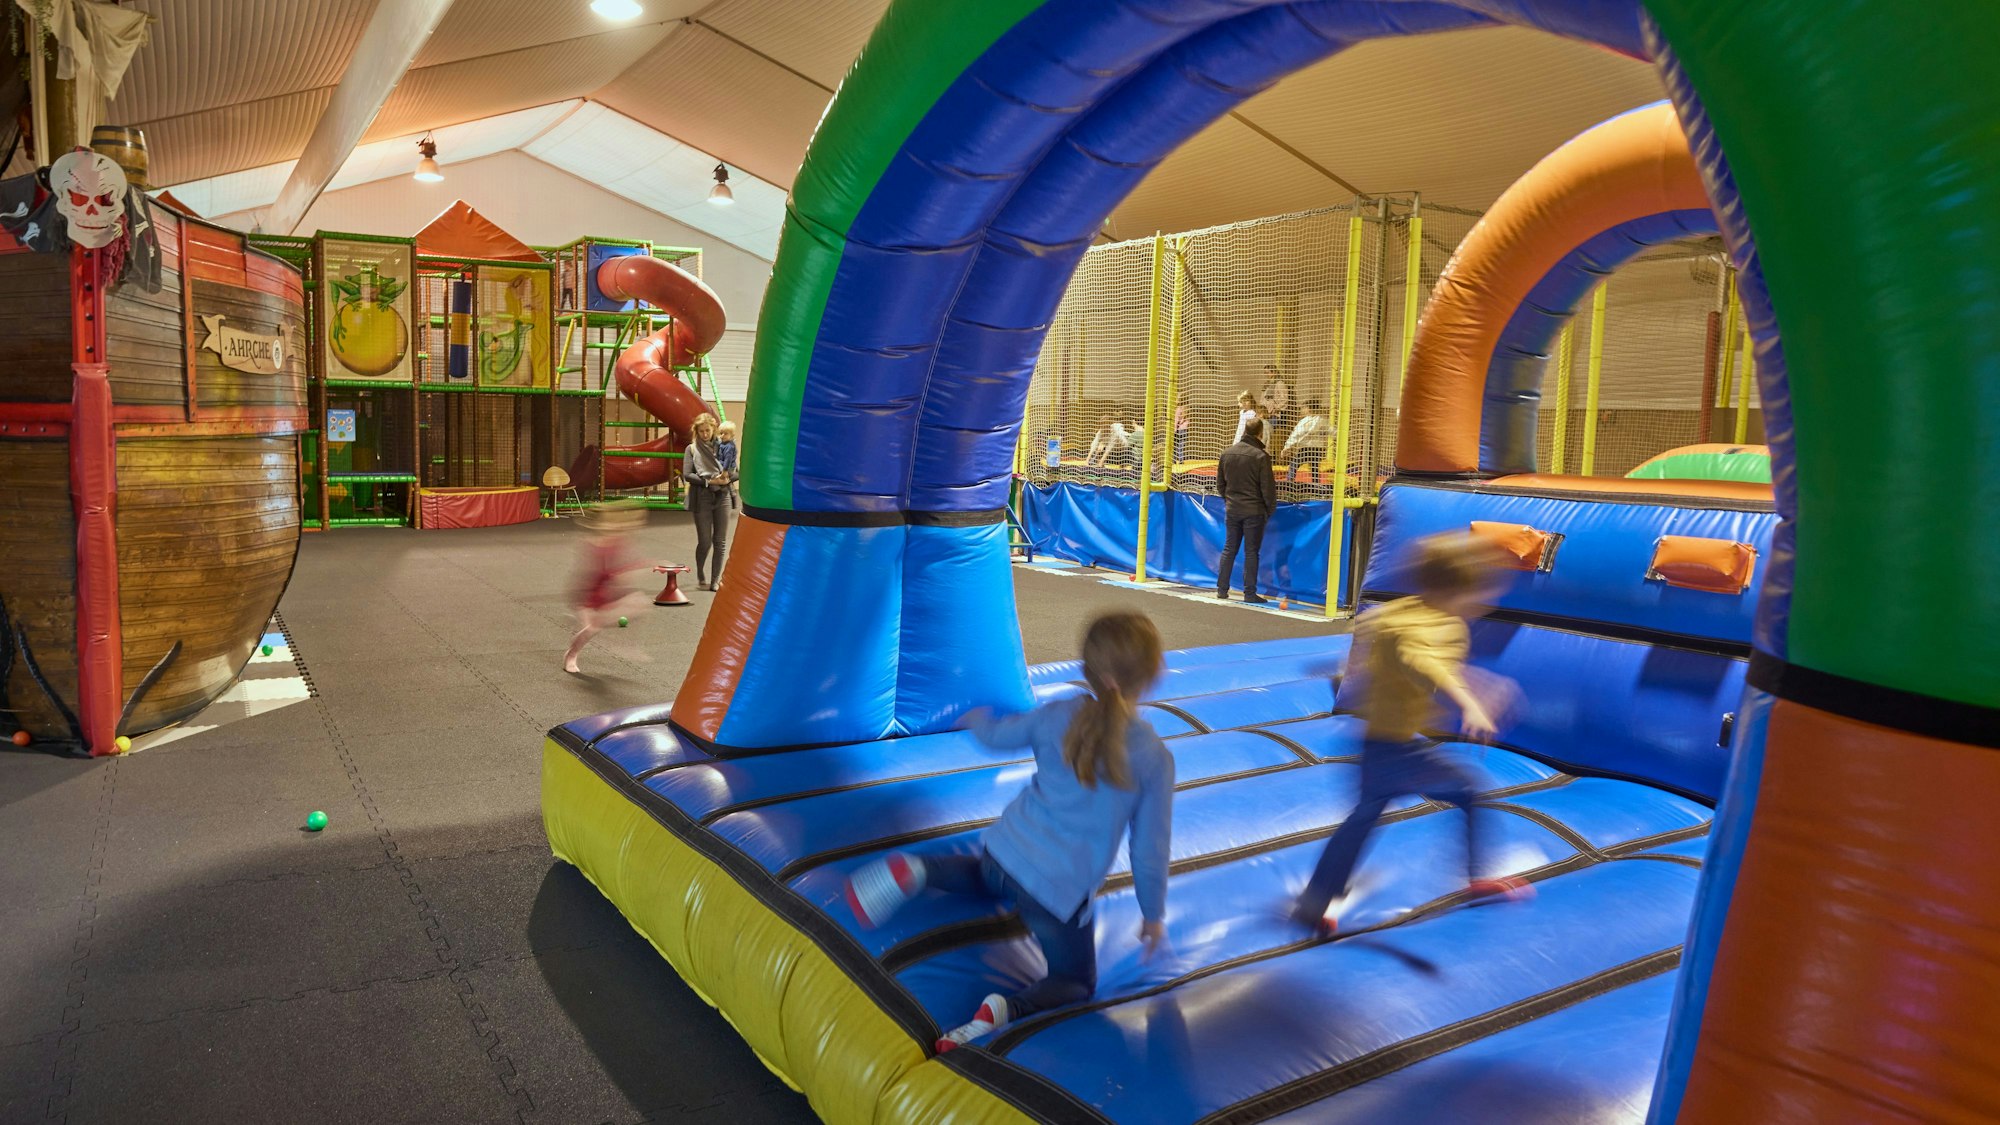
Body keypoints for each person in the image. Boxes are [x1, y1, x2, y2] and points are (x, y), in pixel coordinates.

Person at [844, 612, 1175, 1053]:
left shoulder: (1057, 714)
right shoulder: (1154, 758)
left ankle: (917, 870)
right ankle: (1004, 1011)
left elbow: (1000, 737)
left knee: (983, 878)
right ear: (1152, 675)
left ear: (1087, 670)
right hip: (1055, 895)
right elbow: (1149, 849)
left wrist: (979, 721)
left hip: (1003, 854)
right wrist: (1152, 915)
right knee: (1075, 981)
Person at [1290, 532, 1531, 935]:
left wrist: (1347, 673)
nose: (1484, 605)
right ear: (1456, 592)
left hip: (1374, 742)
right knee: (1468, 791)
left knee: (1362, 820)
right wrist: (1469, 701)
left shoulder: (1397, 612)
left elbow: (1386, 644)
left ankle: (1313, 904)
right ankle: (1476, 878)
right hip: (1399, 749)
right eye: (1480, 594)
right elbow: (1423, 661)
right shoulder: (1445, 626)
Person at [562, 500, 650, 674]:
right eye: (608, 525)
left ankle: (629, 645)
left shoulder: (619, 542)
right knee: (592, 628)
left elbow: (627, 565)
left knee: (641, 603)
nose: (614, 528)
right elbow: (587, 577)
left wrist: (642, 567)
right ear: (599, 527)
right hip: (589, 597)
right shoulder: (592, 546)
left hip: (610, 594)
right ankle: (571, 654)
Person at [1214, 416, 1277, 604]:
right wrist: (1269, 509)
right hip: (1254, 511)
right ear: (1260, 433)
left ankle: (1222, 589)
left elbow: (1220, 485)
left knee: (1229, 549)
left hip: (1233, 509)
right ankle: (1249, 593)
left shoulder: (1227, 453)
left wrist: (1229, 500)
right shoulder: (1261, 457)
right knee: (1251, 552)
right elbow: (1267, 488)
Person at [683, 412, 735, 590]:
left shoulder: (725, 447)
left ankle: (715, 580)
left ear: (714, 429)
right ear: (696, 432)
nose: (705, 434)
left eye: (708, 430)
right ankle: (700, 570)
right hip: (702, 497)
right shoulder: (691, 449)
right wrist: (710, 481)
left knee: (720, 541)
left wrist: (726, 478)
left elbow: (736, 471)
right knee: (705, 541)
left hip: (723, 495)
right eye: (701, 431)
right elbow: (688, 475)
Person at [1280, 398, 1330, 483]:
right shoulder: (1321, 420)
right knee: (1314, 467)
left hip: (1306, 448)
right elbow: (1330, 430)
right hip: (1317, 449)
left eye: (1303, 407)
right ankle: (1315, 483)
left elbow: (1295, 435)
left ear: (1309, 409)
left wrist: (1287, 447)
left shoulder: (1304, 422)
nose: (1302, 410)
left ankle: (1289, 481)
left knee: (1294, 464)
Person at [1260, 364, 1294, 441]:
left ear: (1274, 372)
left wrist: (1276, 408)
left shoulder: (1280, 384)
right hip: (1264, 413)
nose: (1266, 375)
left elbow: (1284, 400)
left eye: (1268, 372)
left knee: (1270, 435)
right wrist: (1261, 409)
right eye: (1265, 373)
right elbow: (1262, 398)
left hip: (1274, 414)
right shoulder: (1266, 384)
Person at [715, 420, 741, 511]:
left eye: (725, 434)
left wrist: (725, 471)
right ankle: (732, 498)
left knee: (724, 482)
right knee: (728, 483)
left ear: (732, 435)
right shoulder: (723, 443)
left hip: (728, 468)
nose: (722, 436)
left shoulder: (729, 446)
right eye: (721, 433)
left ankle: (732, 499)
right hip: (724, 466)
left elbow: (728, 460)